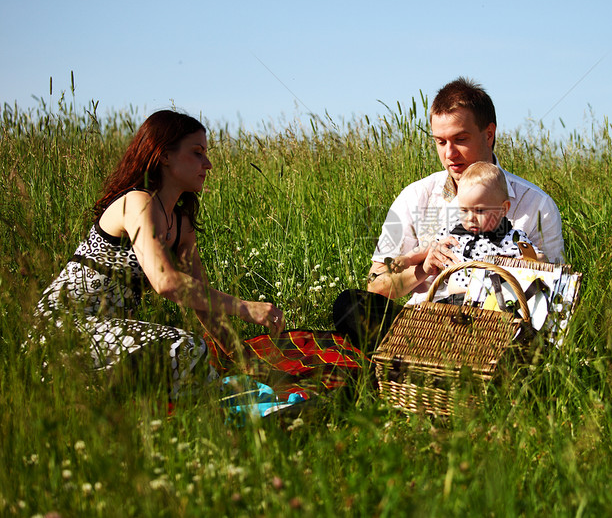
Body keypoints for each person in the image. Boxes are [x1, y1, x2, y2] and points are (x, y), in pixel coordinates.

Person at [36, 110, 284, 399]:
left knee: (194, 353)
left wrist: (244, 360)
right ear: (164, 155)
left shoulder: (181, 224)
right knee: (187, 347)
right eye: (197, 153)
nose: (208, 164)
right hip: (63, 331)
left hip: (110, 338)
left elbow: (201, 301)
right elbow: (166, 281)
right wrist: (246, 307)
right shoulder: (137, 202)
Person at [332, 77, 564, 351]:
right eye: (440, 142)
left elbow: (554, 293)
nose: (449, 154)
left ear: (489, 135)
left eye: (460, 139)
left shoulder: (535, 204)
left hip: (497, 331)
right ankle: (411, 363)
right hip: (423, 327)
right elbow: (376, 285)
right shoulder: (415, 196)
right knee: (350, 306)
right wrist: (422, 268)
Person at [393, 161, 547, 301]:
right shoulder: (455, 233)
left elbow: (541, 258)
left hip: (491, 302)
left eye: (479, 211)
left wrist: (526, 262)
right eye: (464, 210)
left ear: (503, 209)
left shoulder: (511, 237)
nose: (471, 218)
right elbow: (429, 248)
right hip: (452, 300)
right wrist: (408, 259)